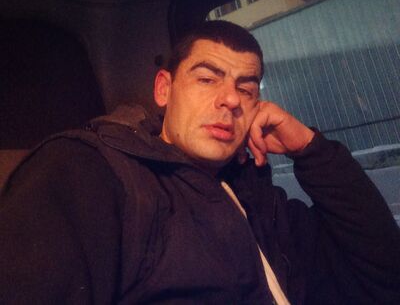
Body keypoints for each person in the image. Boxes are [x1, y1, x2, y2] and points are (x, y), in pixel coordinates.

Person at [0, 20, 399, 304]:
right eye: (207, 79)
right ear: (164, 89)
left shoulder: (262, 201)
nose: (231, 99)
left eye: (247, 89)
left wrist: (310, 149)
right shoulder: (90, 172)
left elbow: (383, 270)